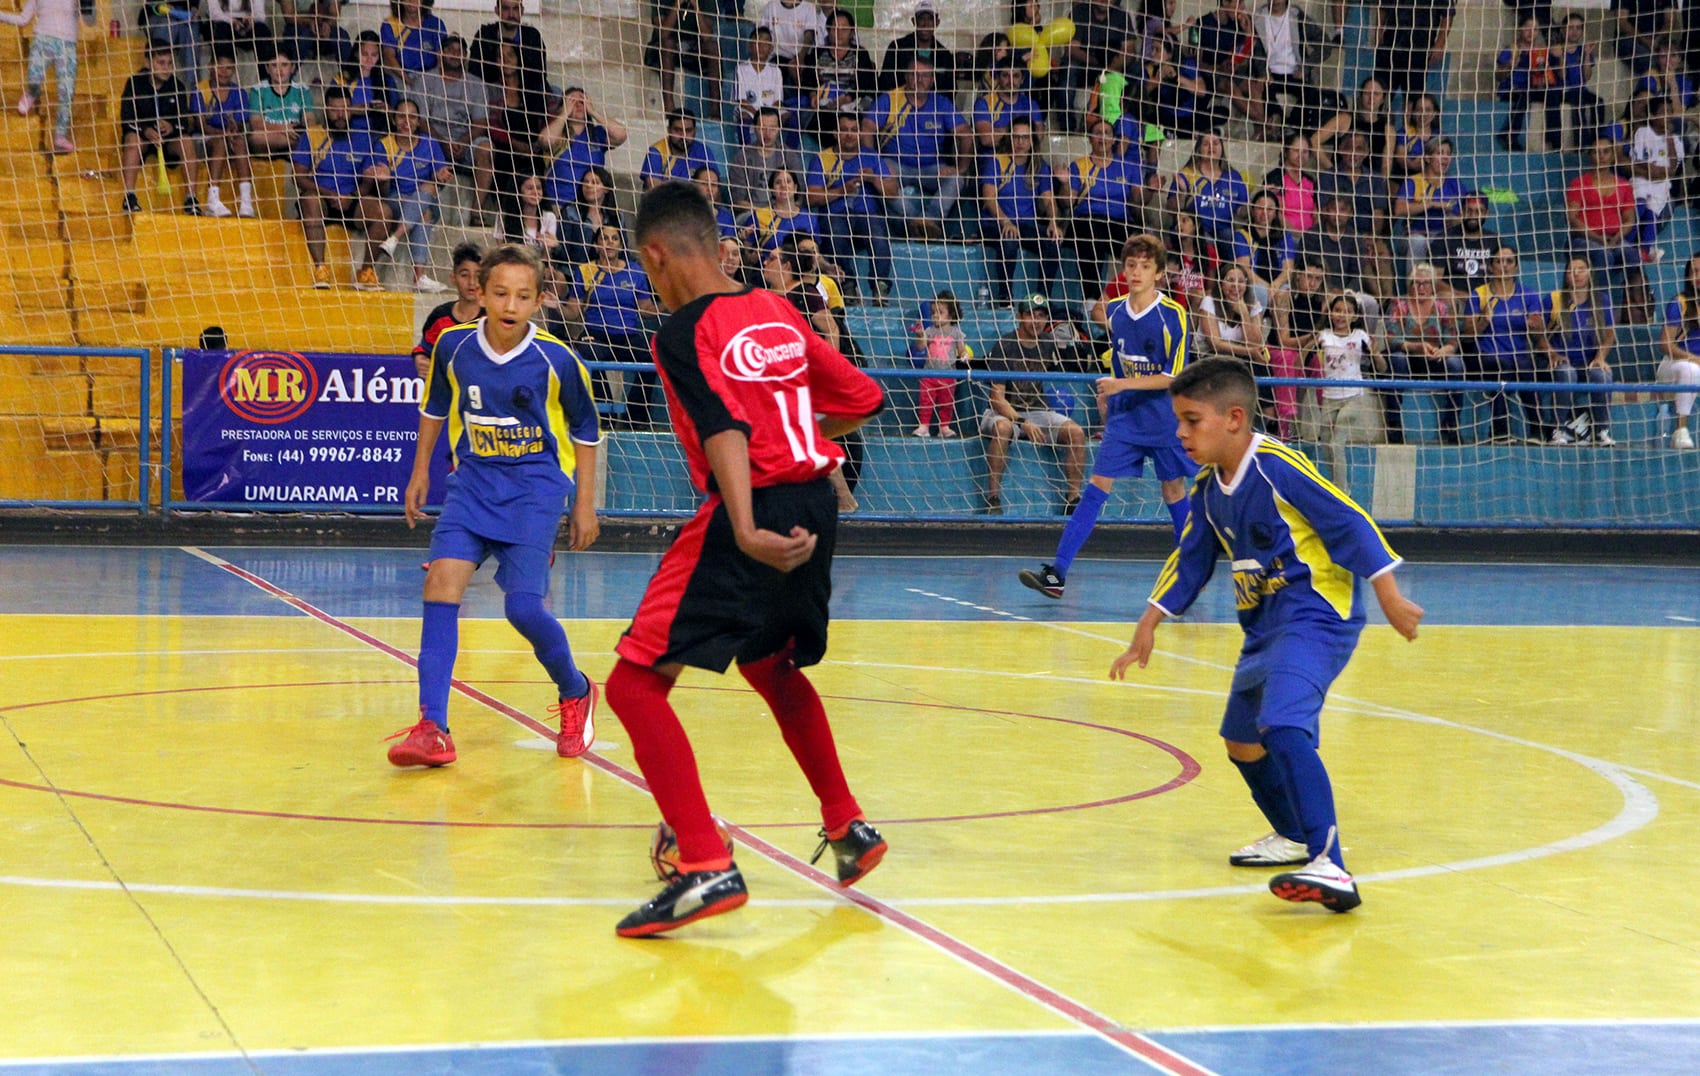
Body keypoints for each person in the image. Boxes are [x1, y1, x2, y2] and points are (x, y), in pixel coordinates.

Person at [603, 180, 887, 937]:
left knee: (632, 686)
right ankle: (849, 824)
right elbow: (863, 396)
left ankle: (703, 862)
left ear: (657, 256)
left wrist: (745, 521)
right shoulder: (779, 310)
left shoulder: (681, 331)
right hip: (818, 503)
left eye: (647, 271)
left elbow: (725, 427)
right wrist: (789, 423)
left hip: (752, 508)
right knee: (770, 665)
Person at [1110, 356, 1423, 913]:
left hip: (1315, 616)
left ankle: (1332, 864)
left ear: (1234, 418)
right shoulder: (1207, 490)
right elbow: (1191, 561)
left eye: (1190, 420)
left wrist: (1388, 592)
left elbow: (1349, 519)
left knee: (1282, 723)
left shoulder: (1278, 466)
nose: (1179, 433)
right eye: (1177, 421)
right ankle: (1296, 833)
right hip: (1264, 628)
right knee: (1242, 742)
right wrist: (1148, 622)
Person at [390, 243, 601, 769]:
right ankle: (433, 727)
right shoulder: (454, 347)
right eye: (501, 293)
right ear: (479, 293)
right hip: (472, 484)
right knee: (440, 584)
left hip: (534, 489)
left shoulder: (557, 359)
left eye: (523, 295)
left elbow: (587, 430)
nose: (511, 304)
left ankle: (575, 689)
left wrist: (584, 505)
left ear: (538, 302)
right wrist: (421, 473)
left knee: (523, 608)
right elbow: (436, 407)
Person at [1018, 235, 1192, 599]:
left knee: (1173, 491)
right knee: (1095, 489)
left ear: (1159, 273)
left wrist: (1120, 384)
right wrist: (1110, 397)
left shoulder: (1173, 314)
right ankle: (1058, 573)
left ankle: (1190, 574)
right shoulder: (1113, 310)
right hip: (1125, 418)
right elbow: (1119, 352)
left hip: (1163, 418)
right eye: (1131, 265)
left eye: (1146, 266)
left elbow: (1173, 377)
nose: (1136, 272)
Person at [978, 293, 1087, 515]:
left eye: (1041, 316)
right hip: (1005, 412)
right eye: (1031, 315)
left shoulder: (1048, 343)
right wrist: (1022, 421)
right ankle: (993, 498)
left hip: (1037, 410)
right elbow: (996, 398)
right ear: (1019, 316)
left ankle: (1073, 500)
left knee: (1076, 432)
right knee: (1003, 428)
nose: (1036, 321)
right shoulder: (1005, 345)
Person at [292, 84, 394, 291]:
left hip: (352, 200)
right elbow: (298, 177)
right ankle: (320, 269)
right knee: (309, 200)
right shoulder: (311, 135)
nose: (340, 114)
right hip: (321, 198)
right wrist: (329, 194)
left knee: (384, 212)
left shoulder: (363, 138)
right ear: (326, 110)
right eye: (335, 109)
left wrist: (353, 194)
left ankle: (366, 272)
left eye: (345, 109)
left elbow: (368, 182)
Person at [562, 223, 662, 426]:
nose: (609, 243)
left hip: (627, 335)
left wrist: (667, 304)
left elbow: (645, 310)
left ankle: (635, 419)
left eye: (614, 238)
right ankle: (605, 416)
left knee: (652, 357)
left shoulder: (635, 272)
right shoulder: (585, 271)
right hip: (595, 334)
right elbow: (573, 312)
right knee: (586, 353)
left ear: (620, 244)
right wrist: (556, 304)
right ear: (596, 245)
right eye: (604, 238)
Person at [864, 55, 969, 239]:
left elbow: (966, 134)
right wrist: (876, 163)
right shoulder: (890, 99)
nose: (919, 80)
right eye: (914, 74)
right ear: (906, 77)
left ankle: (929, 219)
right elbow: (867, 127)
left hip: (931, 169)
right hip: (895, 165)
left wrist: (961, 168)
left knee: (957, 179)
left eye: (925, 75)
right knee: (879, 177)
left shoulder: (941, 103)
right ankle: (918, 221)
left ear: (932, 80)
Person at [806, 110, 896, 304]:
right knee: (835, 234)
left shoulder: (871, 157)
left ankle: (880, 287)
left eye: (854, 130)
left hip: (867, 214)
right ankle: (848, 287)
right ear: (835, 133)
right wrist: (842, 191)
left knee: (879, 235)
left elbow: (894, 191)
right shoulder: (821, 158)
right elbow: (811, 197)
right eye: (844, 130)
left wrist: (874, 179)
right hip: (835, 215)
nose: (849, 134)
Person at [1467, 246, 1553, 443]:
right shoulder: (1479, 294)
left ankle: (1537, 430)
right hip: (1487, 356)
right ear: (1490, 267)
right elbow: (1468, 334)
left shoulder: (1528, 295)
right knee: (1502, 367)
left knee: (1525, 366)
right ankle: (1499, 431)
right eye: (1498, 261)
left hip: (1519, 356)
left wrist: (1537, 326)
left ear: (1516, 267)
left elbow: (1538, 334)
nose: (1503, 266)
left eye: (1509, 261)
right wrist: (1484, 320)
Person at [414, 35, 498, 226]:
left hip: (464, 141)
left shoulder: (476, 84)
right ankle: (422, 211)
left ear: (466, 56)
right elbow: (421, 121)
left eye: (460, 51)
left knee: (486, 148)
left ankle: (477, 212)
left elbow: (480, 122)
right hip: (432, 140)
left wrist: (462, 141)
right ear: (440, 53)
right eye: (450, 50)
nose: (455, 54)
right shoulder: (425, 80)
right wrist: (443, 143)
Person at [980, 117, 1063, 306]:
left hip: (1026, 225)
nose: (1020, 142)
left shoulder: (1039, 166)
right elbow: (989, 197)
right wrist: (1006, 222)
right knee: (1009, 239)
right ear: (1009, 138)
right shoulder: (996, 161)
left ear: (1032, 140)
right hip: (996, 224)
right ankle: (1005, 299)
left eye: (1025, 138)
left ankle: (1042, 300)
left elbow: (1049, 199)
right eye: (1016, 137)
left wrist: (1052, 222)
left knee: (1053, 242)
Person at [1311, 292, 1385, 493]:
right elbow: (1301, 361)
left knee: (1337, 443)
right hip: (1329, 397)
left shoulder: (1360, 337)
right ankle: (1338, 483)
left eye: (1347, 311)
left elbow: (1382, 367)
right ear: (1330, 313)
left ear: (1355, 316)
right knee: (1326, 441)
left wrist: (1376, 353)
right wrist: (1310, 343)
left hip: (1353, 397)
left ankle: (1342, 492)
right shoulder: (1323, 336)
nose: (1341, 315)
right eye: (1337, 310)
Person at [1385, 261, 1464, 443]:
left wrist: (1443, 350)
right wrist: (1416, 347)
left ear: (1433, 286)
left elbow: (1452, 340)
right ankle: (1394, 426)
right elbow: (1392, 339)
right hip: (1408, 358)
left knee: (1455, 363)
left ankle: (1450, 425)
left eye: (1426, 283)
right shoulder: (1399, 305)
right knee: (1397, 359)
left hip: (1434, 358)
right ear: (1410, 285)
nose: (1421, 287)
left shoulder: (1442, 307)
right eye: (1416, 283)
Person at [118, 45, 202, 216]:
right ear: (148, 63)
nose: (166, 68)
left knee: (186, 141)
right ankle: (129, 197)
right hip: (143, 138)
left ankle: (191, 199)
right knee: (132, 140)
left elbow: (184, 122)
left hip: (167, 141)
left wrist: (171, 126)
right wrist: (146, 130)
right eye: (161, 63)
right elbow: (127, 118)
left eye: (170, 63)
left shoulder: (177, 86)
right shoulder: (134, 83)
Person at [382, 98, 454, 293]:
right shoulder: (384, 144)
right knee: (424, 215)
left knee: (429, 188)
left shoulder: (430, 143)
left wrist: (441, 176)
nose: (407, 122)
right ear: (394, 119)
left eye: (412, 117)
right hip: (396, 200)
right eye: (401, 117)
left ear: (419, 120)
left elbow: (440, 175)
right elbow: (382, 183)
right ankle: (419, 277)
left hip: (425, 199)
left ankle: (395, 237)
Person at [3, 0, 94, 155]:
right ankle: (32, 93)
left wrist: (88, 6)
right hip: (42, 39)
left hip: (67, 43)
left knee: (67, 92)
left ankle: (60, 135)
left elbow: (90, 22)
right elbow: (24, 19)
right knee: (34, 76)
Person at [1543, 256, 1617, 445]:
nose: (1576, 273)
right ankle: (1557, 430)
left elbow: (1610, 335)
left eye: (1581, 268)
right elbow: (1538, 336)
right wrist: (1552, 353)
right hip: (1562, 361)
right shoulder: (1554, 299)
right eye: (1571, 269)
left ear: (1590, 272)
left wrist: (1600, 357)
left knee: (1602, 375)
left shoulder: (1602, 300)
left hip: (1589, 360)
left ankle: (1601, 431)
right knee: (1567, 373)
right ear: (1565, 275)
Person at [537, 86, 628, 211]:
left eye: (582, 102)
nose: (578, 105)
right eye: (572, 102)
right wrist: (564, 113)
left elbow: (621, 135)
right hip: (558, 204)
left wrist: (593, 111)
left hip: (591, 205)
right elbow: (545, 140)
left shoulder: (596, 134)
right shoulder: (557, 133)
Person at [193, 51, 254, 219]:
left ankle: (246, 201)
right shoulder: (201, 89)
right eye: (220, 66)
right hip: (204, 139)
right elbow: (201, 126)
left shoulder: (239, 92)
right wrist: (222, 133)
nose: (224, 72)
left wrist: (235, 128)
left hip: (228, 137)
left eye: (229, 68)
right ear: (211, 66)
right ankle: (213, 200)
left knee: (240, 141)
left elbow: (241, 123)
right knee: (220, 141)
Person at [1167, 132, 1249, 256]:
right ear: (1199, 149)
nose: (1211, 147)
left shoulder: (1233, 176)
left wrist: (1257, 204)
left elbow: (1242, 212)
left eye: (1216, 143)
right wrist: (1182, 193)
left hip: (1224, 231)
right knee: (1206, 242)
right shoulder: (1187, 174)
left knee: (1237, 240)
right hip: (1196, 230)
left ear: (1222, 148)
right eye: (1206, 144)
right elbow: (1171, 210)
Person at [412, 240, 482, 380]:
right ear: (453, 278)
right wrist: (420, 359)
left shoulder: (492, 319)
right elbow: (425, 349)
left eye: (478, 276)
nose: (472, 282)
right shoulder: (440, 317)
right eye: (464, 275)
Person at [1392, 136, 1464, 266]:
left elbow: (1463, 215)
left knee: (1449, 242)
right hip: (1414, 235)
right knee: (1418, 241)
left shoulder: (1455, 184)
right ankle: (1414, 285)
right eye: (1440, 153)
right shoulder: (1413, 181)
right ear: (1427, 158)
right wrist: (1430, 204)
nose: (1445, 157)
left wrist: (1452, 219)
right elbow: (1399, 210)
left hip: (1442, 235)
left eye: (1448, 154)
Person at [1629, 96, 1682, 265]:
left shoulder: (1675, 141)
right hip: (1642, 179)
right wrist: (1651, 169)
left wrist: (1670, 141)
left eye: (1669, 112)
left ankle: (1644, 250)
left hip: (1661, 184)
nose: (1667, 115)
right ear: (1652, 115)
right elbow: (1636, 159)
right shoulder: (1643, 132)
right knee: (1639, 207)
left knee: (1652, 213)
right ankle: (1627, 243)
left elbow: (1673, 167)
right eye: (1662, 112)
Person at [644, 0, 722, 117]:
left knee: (713, 48)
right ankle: (669, 108)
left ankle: (715, 109)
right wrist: (677, 5)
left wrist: (696, 7)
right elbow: (663, 33)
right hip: (662, 47)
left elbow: (706, 35)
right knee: (668, 44)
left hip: (692, 47)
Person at [1656, 253, 1700, 449]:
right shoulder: (1680, 302)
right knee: (1690, 370)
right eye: (1695, 271)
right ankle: (1680, 430)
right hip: (1673, 365)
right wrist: (1693, 358)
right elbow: (1665, 344)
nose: (1698, 276)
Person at [1369, 0, 1453, 104]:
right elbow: (1383, 7)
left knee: (1413, 96)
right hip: (1391, 44)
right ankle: (1382, 119)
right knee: (1382, 90)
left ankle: (1408, 120)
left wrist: (1440, 44)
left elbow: (1448, 14)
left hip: (1420, 47)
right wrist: (1378, 31)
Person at [911, 289, 968, 437]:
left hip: (947, 375)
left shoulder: (956, 332)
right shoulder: (930, 330)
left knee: (946, 402)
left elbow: (961, 349)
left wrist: (964, 355)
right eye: (933, 312)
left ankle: (944, 426)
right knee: (925, 401)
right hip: (929, 374)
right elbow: (921, 346)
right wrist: (919, 335)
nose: (935, 315)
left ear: (951, 315)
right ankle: (924, 426)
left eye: (940, 312)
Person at [727, 107, 803, 215]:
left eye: (772, 129)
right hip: (751, 214)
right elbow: (737, 200)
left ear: (779, 129)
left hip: (783, 213)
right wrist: (764, 214)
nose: (767, 134)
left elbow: (799, 197)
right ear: (754, 128)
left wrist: (779, 212)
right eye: (762, 128)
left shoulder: (790, 156)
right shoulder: (742, 157)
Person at [1495, 15, 1553, 152]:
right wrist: (1510, 65)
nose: (1530, 32)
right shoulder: (1512, 49)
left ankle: (1553, 139)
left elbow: (1544, 78)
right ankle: (1510, 135)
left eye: (1535, 29)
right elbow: (1498, 77)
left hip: (1532, 89)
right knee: (1524, 95)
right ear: (1520, 29)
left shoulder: (1540, 52)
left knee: (1553, 95)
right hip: (1512, 90)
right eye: (1527, 28)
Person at [879, 0, 962, 95]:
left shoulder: (944, 55)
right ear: (914, 21)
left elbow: (950, 91)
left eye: (930, 19)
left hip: (933, 107)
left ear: (937, 22)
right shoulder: (897, 48)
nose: (925, 24)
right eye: (921, 19)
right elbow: (885, 84)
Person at [246, 45, 312, 161]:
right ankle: (289, 150)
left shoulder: (302, 90)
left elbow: (310, 120)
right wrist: (283, 128)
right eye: (274, 65)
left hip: (292, 135)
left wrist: (304, 130)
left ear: (293, 67)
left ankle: (283, 150)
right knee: (256, 137)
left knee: (308, 137)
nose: (279, 70)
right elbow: (256, 124)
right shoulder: (257, 89)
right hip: (270, 137)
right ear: (267, 68)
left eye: (285, 65)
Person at [1548, 12, 1603, 150]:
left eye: (1578, 28)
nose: (1574, 32)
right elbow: (1562, 75)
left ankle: (1596, 141)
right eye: (1571, 28)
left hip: (1580, 90)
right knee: (1579, 102)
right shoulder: (1555, 50)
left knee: (1598, 102)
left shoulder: (1583, 50)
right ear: (1563, 30)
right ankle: (1581, 145)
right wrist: (1561, 56)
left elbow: (1587, 77)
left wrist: (1587, 55)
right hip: (1563, 91)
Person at [640, 109, 718, 190]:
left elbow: (714, 186)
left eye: (688, 131)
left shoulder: (704, 151)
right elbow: (654, 189)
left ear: (695, 131)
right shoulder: (656, 152)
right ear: (669, 130)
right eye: (677, 130)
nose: (683, 136)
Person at [381, 0, 446, 86]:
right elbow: (389, 57)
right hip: (400, 77)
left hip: (430, 77)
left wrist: (432, 79)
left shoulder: (436, 24)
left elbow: (441, 58)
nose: (412, 1)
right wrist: (408, 80)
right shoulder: (390, 24)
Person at [207, 0, 274, 65]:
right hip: (224, 22)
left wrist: (251, 19)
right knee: (221, 29)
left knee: (262, 30)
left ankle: (264, 74)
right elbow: (214, 13)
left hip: (247, 23)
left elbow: (260, 14)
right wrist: (231, 21)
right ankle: (222, 70)